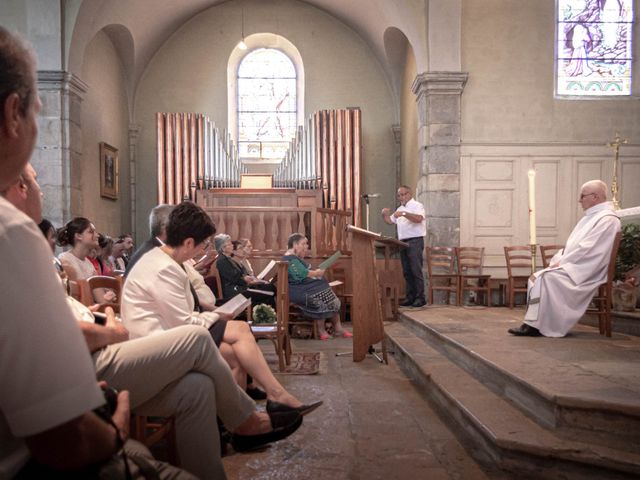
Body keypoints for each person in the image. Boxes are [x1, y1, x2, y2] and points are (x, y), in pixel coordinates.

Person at [0, 26, 192, 479]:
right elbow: (65, 442)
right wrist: (117, 431)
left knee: (196, 388)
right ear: (12, 114)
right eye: (36, 112)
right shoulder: (11, 233)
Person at [123, 201, 322, 416]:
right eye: (203, 245)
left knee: (235, 351)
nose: (203, 251)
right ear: (188, 242)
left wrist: (213, 314)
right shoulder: (163, 267)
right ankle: (265, 404)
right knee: (238, 333)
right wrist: (215, 314)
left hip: (175, 332)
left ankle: (244, 416)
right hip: (160, 343)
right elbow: (184, 323)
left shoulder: (165, 259)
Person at [509, 180, 621, 337]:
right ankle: (536, 323)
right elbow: (572, 246)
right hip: (577, 265)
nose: (579, 200)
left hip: (587, 270)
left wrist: (563, 262)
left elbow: (587, 248)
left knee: (546, 278)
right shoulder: (592, 217)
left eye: (583, 196)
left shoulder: (607, 220)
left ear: (595, 197)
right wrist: (558, 259)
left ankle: (538, 325)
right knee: (536, 277)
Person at [284, 233, 352, 340]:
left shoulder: (295, 258)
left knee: (330, 297)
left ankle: (338, 328)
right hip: (299, 292)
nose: (306, 247)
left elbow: (307, 274)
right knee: (321, 298)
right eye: (304, 244)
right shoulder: (289, 259)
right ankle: (321, 330)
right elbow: (303, 274)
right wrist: (317, 273)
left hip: (306, 289)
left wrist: (318, 274)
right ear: (295, 244)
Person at [382, 185, 427, 308]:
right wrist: (384, 214)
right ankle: (410, 297)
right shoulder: (400, 208)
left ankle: (420, 298)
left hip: (415, 241)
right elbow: (390, 221)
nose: (401, 197)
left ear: (409, 194)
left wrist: (404, 213)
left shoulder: (417, 206)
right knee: (407, 271)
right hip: (402, 243)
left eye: (403, 194)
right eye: (399, 195)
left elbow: (418, 219)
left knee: (415, 270)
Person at [57, 216, 117, 303]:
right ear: (78, 236)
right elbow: (73, 298)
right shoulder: (65, 260)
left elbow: (101, 299)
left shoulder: (89, 264)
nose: (97, 235)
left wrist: (107, 298)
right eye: (91, 232)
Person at [215, 234, 276, 307]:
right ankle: (264, 316)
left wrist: (246, 278)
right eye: (229, 244)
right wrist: (246, 279)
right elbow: (234, 278)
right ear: (223, 248)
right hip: (234, 291)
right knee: (268, 293)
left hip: (241, 288)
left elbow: (239, 275)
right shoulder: (222, 261)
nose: (232, 245)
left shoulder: (228, 259)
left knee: (269, 290)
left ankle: (267, 316)